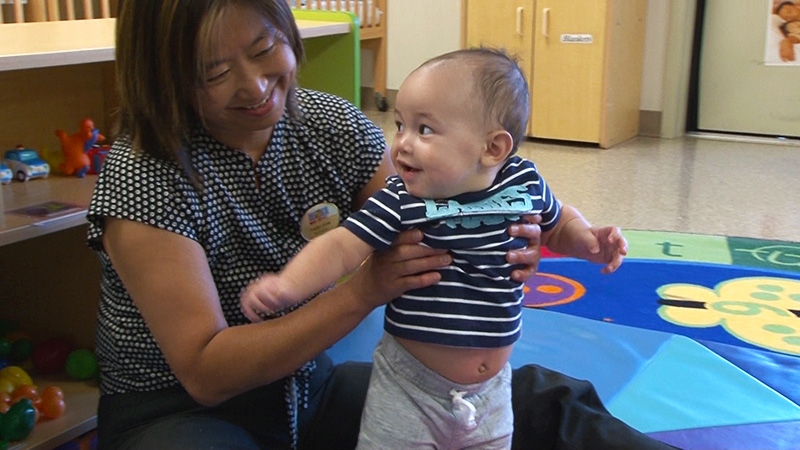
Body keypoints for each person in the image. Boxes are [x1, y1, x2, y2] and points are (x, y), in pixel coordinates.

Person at [87, 1, 674, 449]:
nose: (254, 84)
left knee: (543, 402)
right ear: (165, 75)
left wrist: (512, 239)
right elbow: (207, 374)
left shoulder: (326, 124)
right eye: (213, 72)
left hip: (306, 390)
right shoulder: (143, 173)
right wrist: (364, 289)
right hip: (182, 415)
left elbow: (423, 213)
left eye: (265, 47)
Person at [240, 48, 628, 449]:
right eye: (401, 125)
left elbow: (558, 220)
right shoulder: (404, 200)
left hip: (492, 392)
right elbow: (340, 246)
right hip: (410, 390)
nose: (402, 144)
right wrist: (289, 285)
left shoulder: (523, 182)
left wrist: (586, 241)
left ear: (493, 149)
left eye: (424, 130)